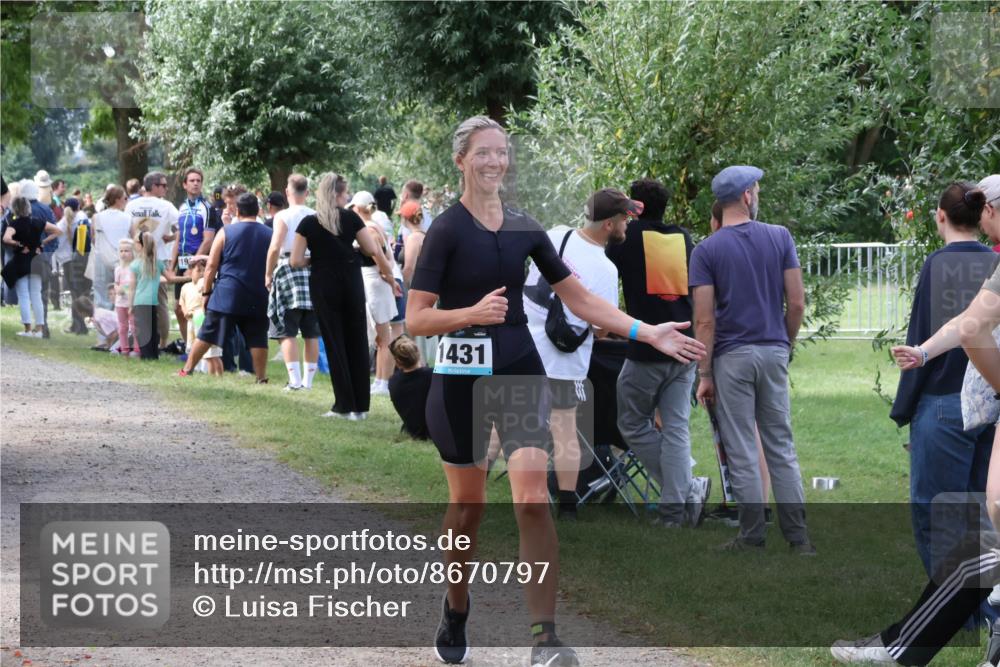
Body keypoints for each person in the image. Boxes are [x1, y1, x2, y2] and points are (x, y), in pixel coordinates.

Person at [406, 115, 705, 667]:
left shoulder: (525, 227)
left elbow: (580, 298)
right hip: (458, 380)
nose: (495, 161)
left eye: (502, 152)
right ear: (461, 161)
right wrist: (470, 313)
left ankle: (544, 638)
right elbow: (416, 321)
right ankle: (455, 605)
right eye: (483, 153)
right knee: (467, 509)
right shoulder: (446, 231)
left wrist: (646, 330)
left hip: (519, 373)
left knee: (532, 501)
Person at [833, 191, 1000, 665]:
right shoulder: (992, 262)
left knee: (966, 522)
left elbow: (967, 328)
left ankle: (907, 646)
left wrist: (911, 392)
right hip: (974, 407)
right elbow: (967, 323)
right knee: (983, 530)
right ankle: (908, 646)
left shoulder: (943, 263)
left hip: (952, 408)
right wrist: (926, 352)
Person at [690, 165, 814, 554]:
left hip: (731, 358)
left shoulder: (706, 250)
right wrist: (785, 343)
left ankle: (752, 536)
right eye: (757, 189)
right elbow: (796, 303)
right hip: (773, 350)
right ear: (747, 196)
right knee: (781, 445)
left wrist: (704, 372)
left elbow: (704, 319)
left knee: (742, 447)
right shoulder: (780, 237)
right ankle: (799, 539)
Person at [890, 181, 997, 582]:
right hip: (989, 400)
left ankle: (948, 610)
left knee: (934, 511)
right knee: (980, 511)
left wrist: (906, 404)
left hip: (943, 401)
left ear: (940, 216)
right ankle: (982, 608)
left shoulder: (937, 264)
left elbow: (923, 333)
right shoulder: (994, 262)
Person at [604, 178, 712, 529]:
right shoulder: (683, 238)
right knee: (677, 428)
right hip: (686, 345)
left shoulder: (627, 239)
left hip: (647, 346)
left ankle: (680, 497)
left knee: (632, 423)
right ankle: (677, 508)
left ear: (635, 207)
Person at [523, 188, 632, 520]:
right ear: (610, 225)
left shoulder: (555, 235)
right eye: (625, 218)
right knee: (564, 425)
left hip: (525, 347)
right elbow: (601, 326)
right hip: (564, 359)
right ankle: (567, 505)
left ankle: (478, 489)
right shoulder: (604, 268)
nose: (628, 223)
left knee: (508, 424)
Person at [290, 173, 396, 420]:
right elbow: (371, 249)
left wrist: (316, 258)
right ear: (339, 193)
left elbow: (295, 260)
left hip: (324, 283)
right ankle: (360, 407)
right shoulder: (351, 218)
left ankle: (343, 404)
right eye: (346, 192)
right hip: (351, 281)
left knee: (335, 340)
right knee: (356, 338)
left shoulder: (309, 222)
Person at [179, 193, 272, 382]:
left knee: (207, 333)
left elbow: (211, 265)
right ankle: (261, 378)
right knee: (258, 337)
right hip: (257, 292)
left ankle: (187, 370)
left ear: (237, 211)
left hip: (228, 292)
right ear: (258, 211)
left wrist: (206, 292)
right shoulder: (269, 233)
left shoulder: (226, 231)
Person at [265, 174, 320, 391]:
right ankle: (308, 382)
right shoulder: (316, 215)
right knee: (311, 331)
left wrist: (268, 274)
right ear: (307, 193)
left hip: (288, 267)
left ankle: (295, 380)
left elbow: (275, 247)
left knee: (286, 329)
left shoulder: (283, 216)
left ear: (288, 192)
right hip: (312, 269)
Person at [349, 190, 400, 397]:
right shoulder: (373, 226)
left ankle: (383, 381)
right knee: (381, 337)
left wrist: (390, 279)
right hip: (374, 281)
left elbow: (381, 260)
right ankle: (379, 380)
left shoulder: (369, 230)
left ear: (358, 208)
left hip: (375, 282)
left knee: (384, 336)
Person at [125, 172, 179, 350]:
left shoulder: (131, 205)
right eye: (163, 185)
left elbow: (128, 230)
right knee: (160, 301)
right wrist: (170, 239)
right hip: (159, 258)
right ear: (154, 186)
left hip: (136, 257)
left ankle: (138, 340)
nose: (166, 188)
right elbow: (181, 229)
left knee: (136, 298)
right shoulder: (166, 206)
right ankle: (162, 342)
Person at [173, 168, 224, 349]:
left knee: (198, 305)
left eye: (198, 181)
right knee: (179, 308)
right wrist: (173, 263)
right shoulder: (182, 207)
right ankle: (188, 345)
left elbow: (208, 240)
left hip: (200, 262)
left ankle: (203, 347)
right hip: (182, 260)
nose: (195, 183)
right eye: (192, 180)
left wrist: (193, 264)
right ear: (185, 184)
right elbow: (178, 237)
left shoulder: (207, 208)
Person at [2, 196, 61, 337]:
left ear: (15, 209)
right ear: (28, 207)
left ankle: (28, 329)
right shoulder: (38, 222)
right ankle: (40, 330)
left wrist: (18, 244)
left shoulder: (14, 224)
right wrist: (42, 243)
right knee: (36, 295)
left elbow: (5, 238)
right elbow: (58, 231)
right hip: (36, 261)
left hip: (21, 261)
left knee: (23, 295)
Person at [129, 231, 175, 360]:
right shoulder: (158, 264)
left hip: (139, 302)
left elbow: (132, 288)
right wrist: (188, 277)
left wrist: (130, 305)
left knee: (142, 331)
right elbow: (171, 279)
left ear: (141, 245)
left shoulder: (135, 265)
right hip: (152, 302)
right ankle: (153, 354)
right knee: (153, 330)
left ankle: (145, 355)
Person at [177, 258, 222, 375]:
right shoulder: (186, 287)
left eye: (204, 271)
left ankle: (207, 370)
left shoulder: (205, 284)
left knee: (205, 344)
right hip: (191, 319)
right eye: (198, 270)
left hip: (200, 316)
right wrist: (185, 311)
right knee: (192, 342)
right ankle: (195, 367)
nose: (201, 273)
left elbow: (205, 299)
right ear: (190, 271)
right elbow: (182, 302)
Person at [91, 185, 131, 310]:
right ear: (118, 199)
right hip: (122, 259)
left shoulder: (96, 217)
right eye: (125, 198)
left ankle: (104, 324)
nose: (126, 200)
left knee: (101, 294)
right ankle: (122, 323)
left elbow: (93, 238)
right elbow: (134, 240)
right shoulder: (128, 218)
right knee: (123, 291)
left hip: (101, 258)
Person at [387, 334, 433, 440]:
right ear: (418, 354)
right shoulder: (433, 375)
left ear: (397, 362)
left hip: (412, 430)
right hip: (434, 430)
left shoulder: (393, 381)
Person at [113, 238, 139, 358]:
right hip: (120, 303)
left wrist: (126, 290)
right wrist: (117, 289)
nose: (123, 253)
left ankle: (137, 350)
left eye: (127, 251)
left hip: (132, 302)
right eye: (121, 251)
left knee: (134, 327)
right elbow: (116, 283)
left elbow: (136, 284)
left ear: (133, 252)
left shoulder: (135, 268)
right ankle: (124, 350)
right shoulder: (118, 269)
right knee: (122, 327)